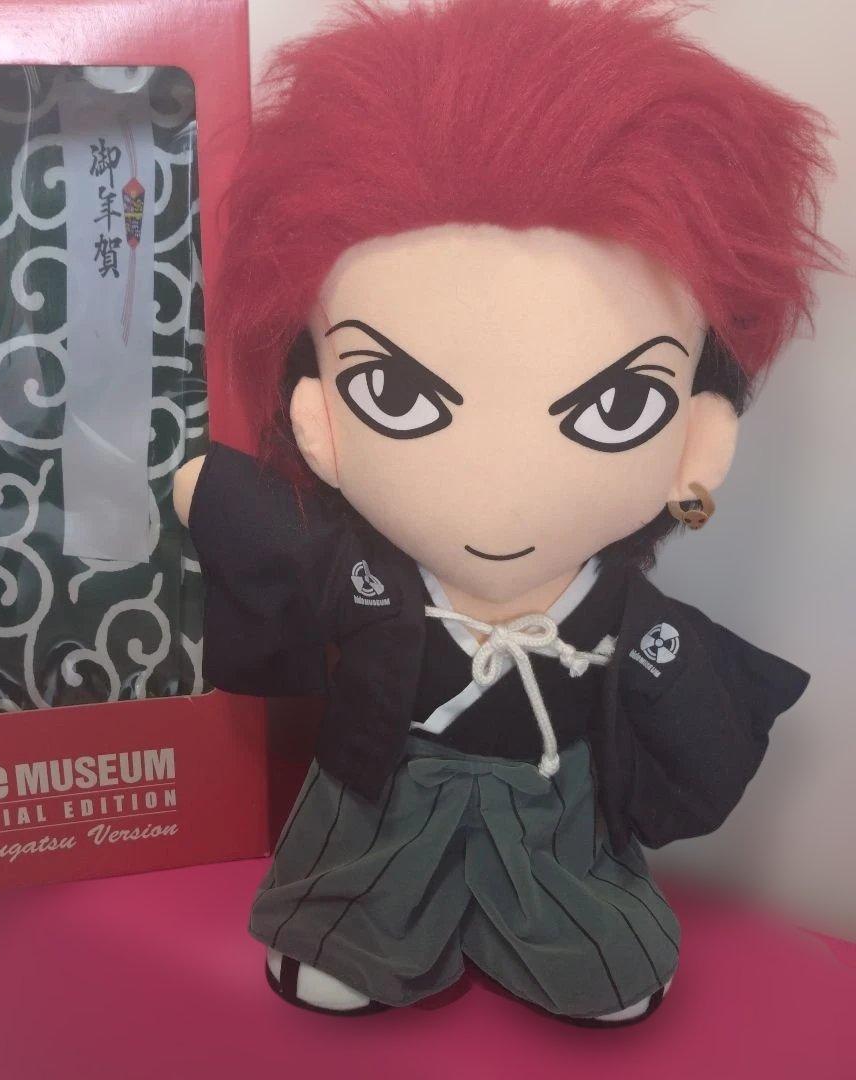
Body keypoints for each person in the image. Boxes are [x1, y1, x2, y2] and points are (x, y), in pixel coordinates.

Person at [173, 0, 833, 1024]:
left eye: (620, 405)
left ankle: (576, 942)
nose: (497, 477)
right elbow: (274, 546)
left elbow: (688, 710)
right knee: (353, 885)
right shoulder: (365, 573)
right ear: (319, 417)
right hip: (384, 783)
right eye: (393, 392)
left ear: (696, 441)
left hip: (553, 793)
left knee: (586, 916)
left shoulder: (615, 614)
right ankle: (359, 931)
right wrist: (197, 485)